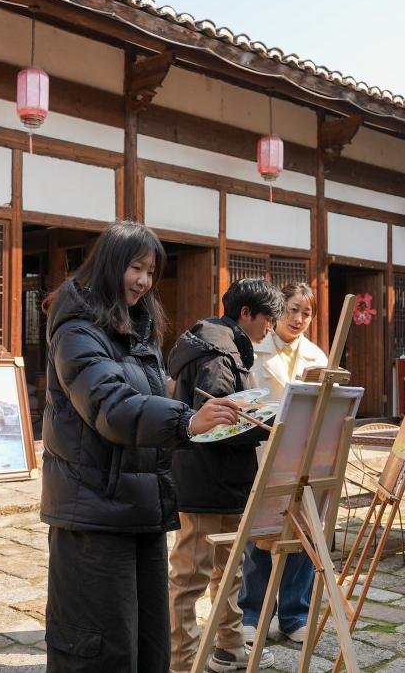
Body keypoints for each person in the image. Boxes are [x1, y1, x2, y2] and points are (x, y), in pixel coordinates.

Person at [40, 221, 245, 672]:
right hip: (93, 512)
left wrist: (200, 413)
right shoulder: (77, 331)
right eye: (136, 268)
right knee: (101, 652)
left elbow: (146, 398)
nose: (144, 281)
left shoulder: (134, 327)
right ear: (109, 265)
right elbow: (111, 406)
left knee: (147, 646)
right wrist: (185, 420)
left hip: (140, 508)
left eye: (151, 272)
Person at [167, 278, 286, 673]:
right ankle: (181, 662)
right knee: (192, 575)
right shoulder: (217, 353)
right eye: (268, 319)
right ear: (246, 313)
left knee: (228, 570)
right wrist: (267, 425)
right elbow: (218, 424)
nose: (270, 328)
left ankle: (230, 649)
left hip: (224, 478)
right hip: (205, 480)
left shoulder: (226, 345)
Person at [239, 283, 328, 645]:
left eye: (307, 313)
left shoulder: (317, 357)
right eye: (293, 309)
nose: (298, 319)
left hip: (304, 456)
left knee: (303, 533)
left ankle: (295, 615)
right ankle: (252, 613)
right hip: (263, 451)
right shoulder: (253, 349)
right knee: (258, 535)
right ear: (278, 310)